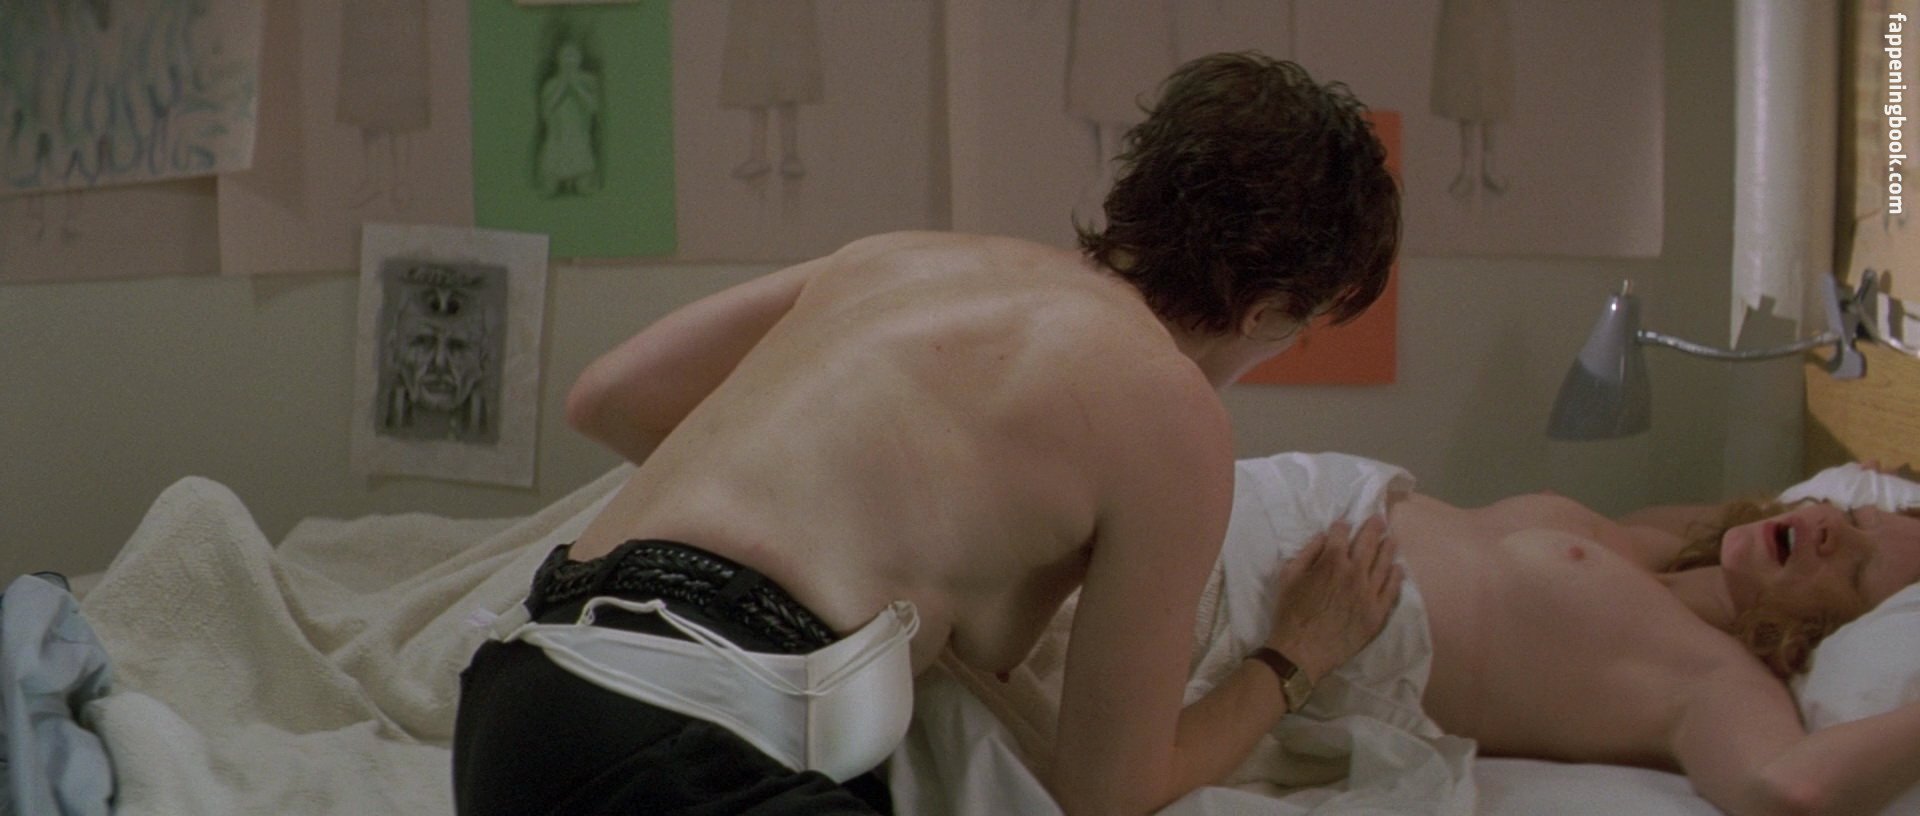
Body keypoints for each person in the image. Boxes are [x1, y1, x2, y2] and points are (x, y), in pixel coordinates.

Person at [451, 52, 1401, 815]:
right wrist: (1296, 656)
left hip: (518, 698)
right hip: (680, 733)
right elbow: (1109, 792)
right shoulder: (1176, 413)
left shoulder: (904, 259)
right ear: (1271, 311)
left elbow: (608, 398)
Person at [1390, 477, 1920, 814]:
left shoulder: (1712, 674)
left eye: (1858, 569)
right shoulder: (1667, 548)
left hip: (1346, 632)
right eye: (1857, 517)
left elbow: (1791, 789)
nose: (1831, 526)